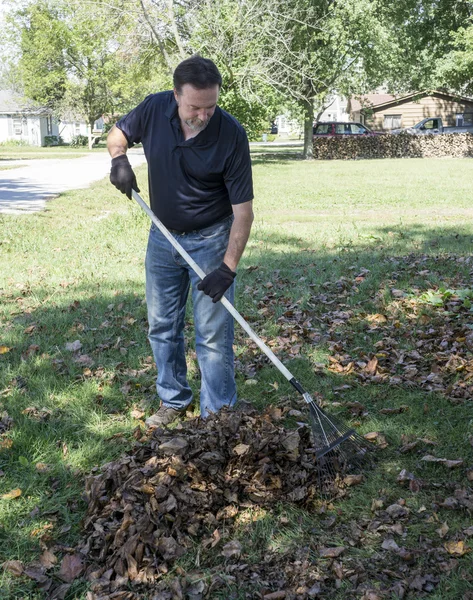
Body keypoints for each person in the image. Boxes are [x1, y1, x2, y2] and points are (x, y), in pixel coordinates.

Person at [107, 55, 254, 426]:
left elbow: (243, 213)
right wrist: (119, 160)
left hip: (211, 240)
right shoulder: (155, 107)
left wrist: (227, 269)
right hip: (163, 238)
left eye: (211, 106)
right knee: (162, 325)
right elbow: (118, 134)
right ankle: (173, 399)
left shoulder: (231, 134)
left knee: (212, 334)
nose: (203, 115)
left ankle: (218, 415)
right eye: (195, 107)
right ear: (176, 95)